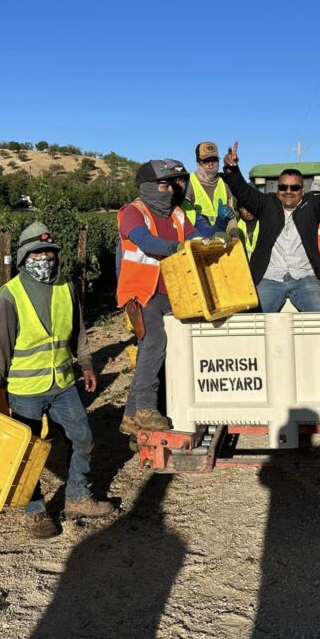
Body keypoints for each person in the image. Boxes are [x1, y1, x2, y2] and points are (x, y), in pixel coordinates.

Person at [0, 222, 111, 539]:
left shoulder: (67, 287)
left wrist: (87, 365)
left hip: (63, 383)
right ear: (24, 257)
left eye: (49, 252)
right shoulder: (11, 296)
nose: (44, 258)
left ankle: (77, 496)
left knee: (83, 438)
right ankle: (35, 510)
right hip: (26, 389)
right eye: (37, 253)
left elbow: (78, 334)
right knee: (27, 452)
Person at [117, 159, 198, 436]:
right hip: (142, 293)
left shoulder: (176, 214)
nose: (169, 191)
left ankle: (129, 416)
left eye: (173, 186)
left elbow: (195, 234)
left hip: (172, 290)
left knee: (161, 349)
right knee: (154, 343)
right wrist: (177, 247)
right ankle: (146, 409)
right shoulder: (132, 213)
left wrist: (213, 236)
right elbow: (145, 241)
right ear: (149, 187)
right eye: (164, 185)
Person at [223, 142, 320, 312]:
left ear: (302, 190)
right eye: (283, 187)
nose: (288, 191)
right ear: (277, 189)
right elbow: (243, 191)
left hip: (305, 278)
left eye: (294, 187)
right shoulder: (266, 204)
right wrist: (232, 170)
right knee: (255, 322)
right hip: (269, 278)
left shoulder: (311, 206)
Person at [186, 140, 236, 228]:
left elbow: (232, 217)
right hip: (198, 238)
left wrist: (233, 234)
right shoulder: (189, 182)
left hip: (222, 238)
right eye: (206, 161)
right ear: (198, 162)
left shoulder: (224, 183)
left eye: (214, 160)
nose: (211, 164)